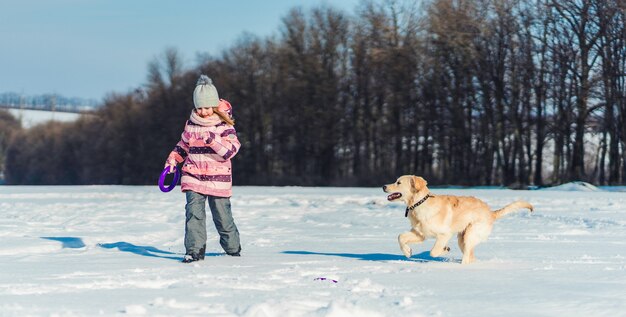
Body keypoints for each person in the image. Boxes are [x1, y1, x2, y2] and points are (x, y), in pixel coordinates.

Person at [164, 74, 242, 263]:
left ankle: (233, 249)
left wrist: (212, 140)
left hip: (218, 178)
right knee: (193, 214)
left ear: (214, 105)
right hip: (193, 175)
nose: (203, 112)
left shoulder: (224, 125)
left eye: (207, 107)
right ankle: (194, 251)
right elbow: (183, 146)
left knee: (222, 217)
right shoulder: (191, 124)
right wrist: (173, 159)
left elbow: (231, 151)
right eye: (199, 107)